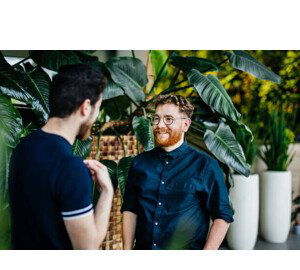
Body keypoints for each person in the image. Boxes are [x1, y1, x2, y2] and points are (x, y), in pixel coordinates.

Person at [9, 64, 114, 250]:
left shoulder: (22, 148)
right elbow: (87, 248)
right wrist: (107, 192)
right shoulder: (70, 167)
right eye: (98, 108)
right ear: (86, 107)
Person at [121, 94, 234, 250]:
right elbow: (130, 209)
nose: (160, 125)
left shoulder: (206, 166)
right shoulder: (139, 163)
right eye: (156, 119)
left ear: (185, 125)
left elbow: (223, 216)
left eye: (168, 119)